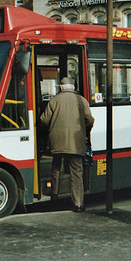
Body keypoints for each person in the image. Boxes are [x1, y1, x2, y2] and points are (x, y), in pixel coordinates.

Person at [40, 77, 94, 212]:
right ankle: (78, 204)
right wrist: (83, 130)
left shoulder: (54, 100)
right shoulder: (81, 101)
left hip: (57, 141)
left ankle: (55, 195)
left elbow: (44, 120)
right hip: (76, 142)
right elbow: (90, 119)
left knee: (56, 168)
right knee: (76, 172)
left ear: (61, 87)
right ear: (73, 87)